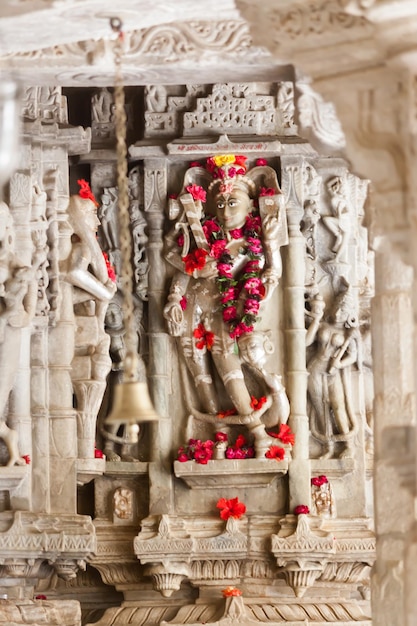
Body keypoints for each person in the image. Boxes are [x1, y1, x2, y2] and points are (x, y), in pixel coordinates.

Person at [164, 155, 288, 450]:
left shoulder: (252, 242)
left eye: (233, 202)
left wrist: (270, 245)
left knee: (229, 370)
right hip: (193, 308)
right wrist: (173, 298)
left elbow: (271, 275)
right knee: (200, 375)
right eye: (219, 203)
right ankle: (217, 435)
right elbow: (184, 270)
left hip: (225, 313)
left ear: (249, 206)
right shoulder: (203, 236)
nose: (225, 209)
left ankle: (258, 433)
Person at [305, 288, 360, 459]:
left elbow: (353, 356)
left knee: (338, 406)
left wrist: (340, 363)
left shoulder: (348, 333)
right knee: (320, 407)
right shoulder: (323, 326)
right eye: (337, 307)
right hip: (315, 368)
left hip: (333, 372)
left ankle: (348, 444)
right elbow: (306, 342)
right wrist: (316, 320)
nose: (338, 312)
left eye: (343, 310)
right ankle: (328, 447)